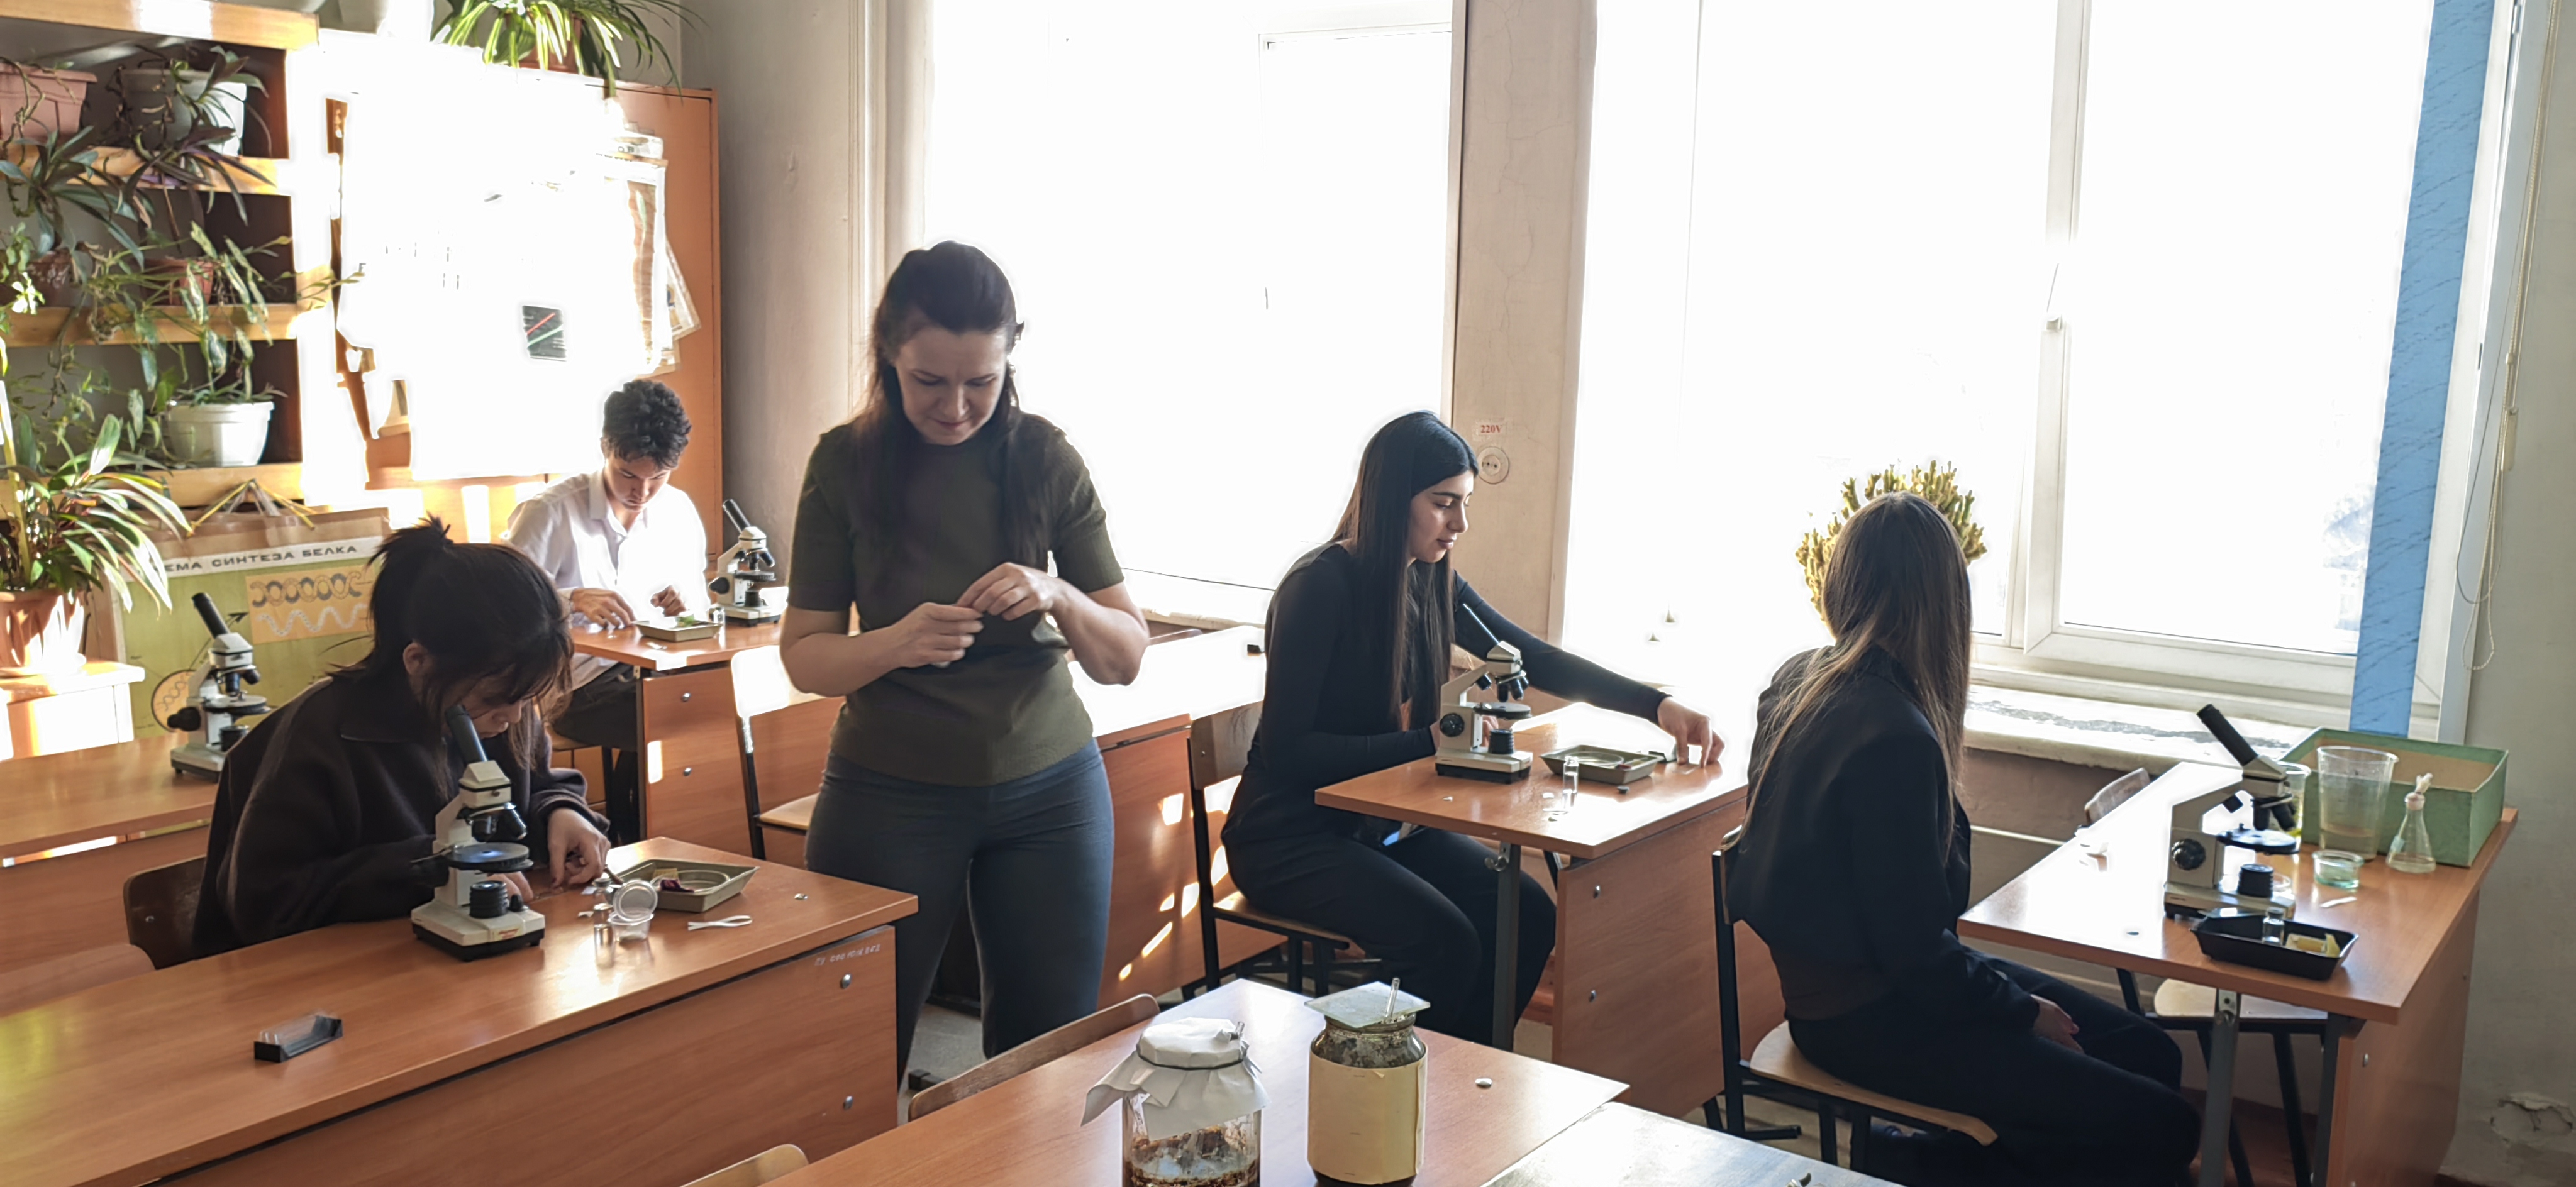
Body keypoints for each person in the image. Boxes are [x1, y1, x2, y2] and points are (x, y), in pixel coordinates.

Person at [1726, 492, 2197, 1187]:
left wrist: (2017, 1012)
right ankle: (1923, 1161)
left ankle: (1934, 1158)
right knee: (2167, 1127)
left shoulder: (1801, 680)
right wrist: (2021, 1012)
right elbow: (1917, 955)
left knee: (2150, 1052)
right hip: (1869, 1019)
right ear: (1946, 604)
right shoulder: (1897, 738)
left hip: (1877, 991)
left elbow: (1910, 946)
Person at [1223, 411, 1721, 1048]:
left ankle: (1461, 1081)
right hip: (1286, 838)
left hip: (1378, 826)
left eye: (1465, 503)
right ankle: (1389, 1084)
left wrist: (1656, 705)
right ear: (1390, 499)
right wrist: (1428, 743)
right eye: (1443, 503)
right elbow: (1291, 754)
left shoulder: (1431, 577)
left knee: (1528, 915)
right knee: (1445, 943)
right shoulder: (1318, 587)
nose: (1459, 523)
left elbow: (1532, 656)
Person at [780, 241, 1149, 1069]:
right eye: (929, 381)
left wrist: (1059, 593)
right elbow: (803, 657)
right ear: (888, 354)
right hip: (889, 791)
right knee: (849, 1064)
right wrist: (895, 643)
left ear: (1010, 356)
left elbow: (1125, 658)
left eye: (981, 381)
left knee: (1048, 1064)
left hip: (1050, 790)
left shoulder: (1045, 458)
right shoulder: (843, 463)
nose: (955, 408)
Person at [195, 519, 611, 957]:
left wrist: (562, 812)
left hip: (462, 966)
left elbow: (539, 787)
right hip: (327, 972)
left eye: (527, 699)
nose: (515, 717)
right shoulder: (318, 738)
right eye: (497, 699)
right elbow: (265, 902)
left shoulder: (504, 707)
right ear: (418, 661)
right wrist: (432, 866)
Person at [503, 378, 710, 841]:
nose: (643, 492)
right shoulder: (551, 512)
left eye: (659, 477)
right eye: (628, 475)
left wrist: (685, 606)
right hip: (576, 687)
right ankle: (642, 837)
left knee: (715, 701)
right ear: (605, 448)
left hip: (657, 672)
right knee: (686, 718)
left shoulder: (677, 511)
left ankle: (648, 834)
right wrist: (568, 599)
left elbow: (700, 611)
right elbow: (500, 609)